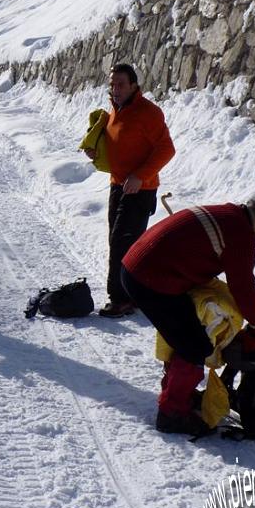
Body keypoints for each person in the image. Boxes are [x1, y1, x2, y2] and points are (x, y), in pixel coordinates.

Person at [121, 189, 255, 435]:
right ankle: (172, 413)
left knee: (186, 334)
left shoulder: (230, 214)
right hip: (150, 279)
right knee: (194, 346)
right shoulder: (241, 235)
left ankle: (177, 392)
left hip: (141, 267)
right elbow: (243, 289)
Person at [84, 63, 175, 318]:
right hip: (118, 185)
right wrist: (96, 153)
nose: (115, 89)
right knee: (122, 241)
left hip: (140, 188)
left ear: (134, 85)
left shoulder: (149, 112)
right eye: (112, 84)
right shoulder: (114, 111)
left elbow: (167, 149)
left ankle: (122, 298)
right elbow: (117, 146)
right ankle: (134, 291)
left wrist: (139, 176)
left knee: (122, 242)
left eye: (121, 84)